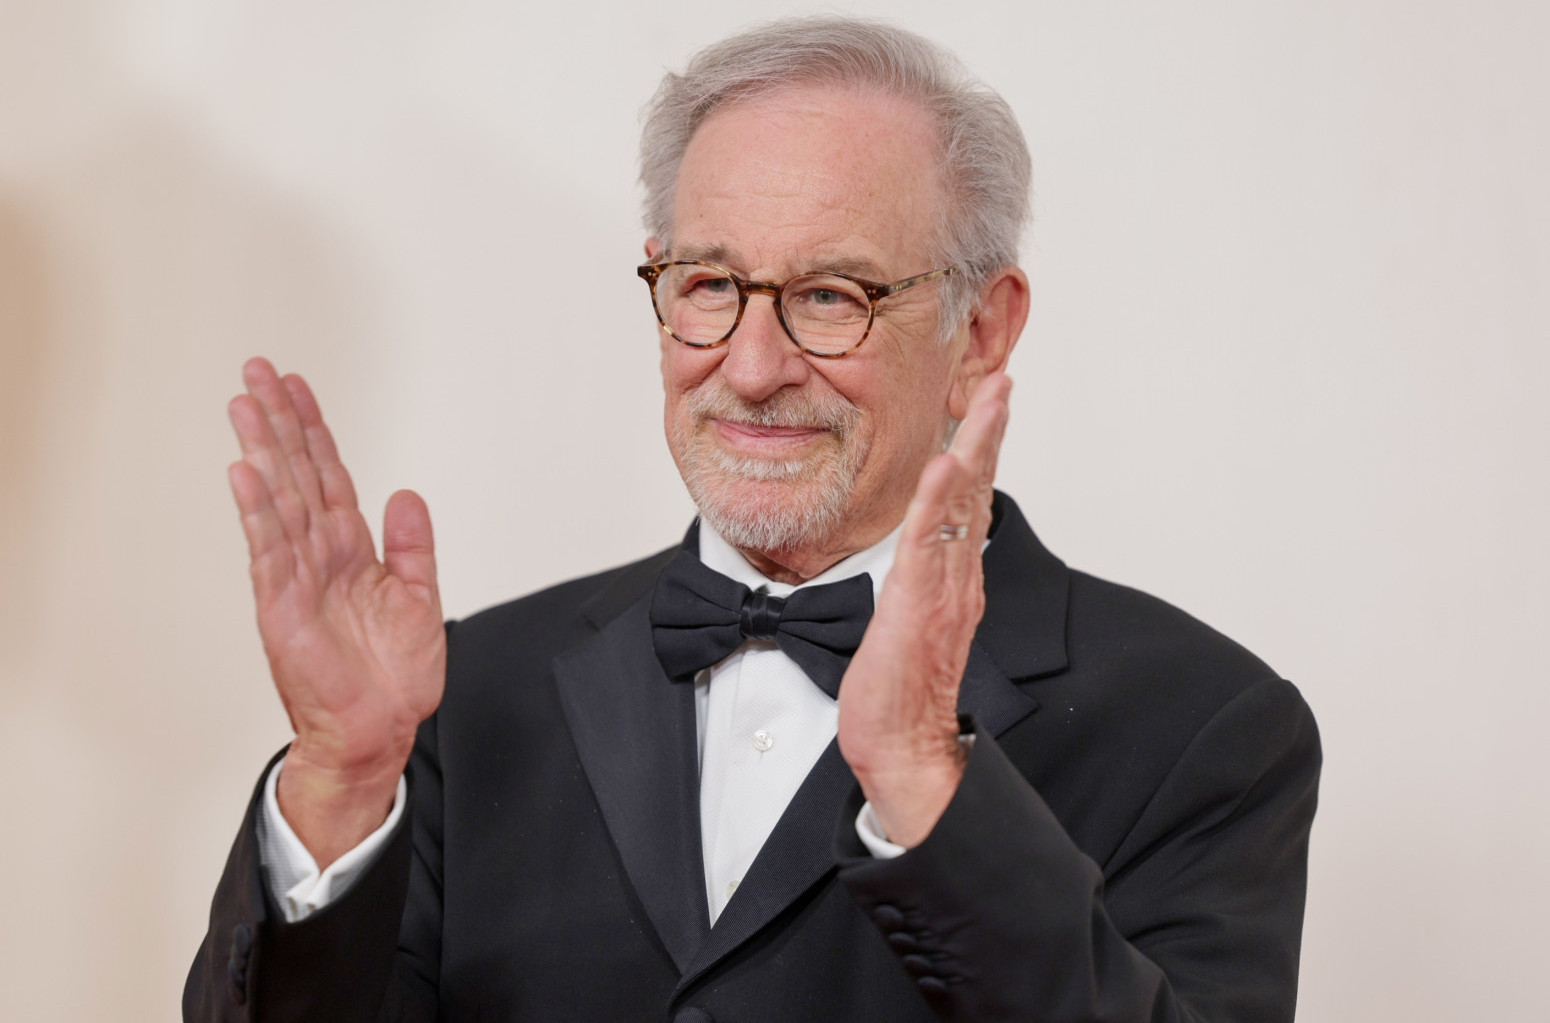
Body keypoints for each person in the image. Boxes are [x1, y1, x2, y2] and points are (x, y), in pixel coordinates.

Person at [186, 17, 1320, 1023]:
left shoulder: (1205, 728)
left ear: (980, 332)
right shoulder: (459, 698)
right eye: (710, 285)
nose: (753, 366)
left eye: (830, 295)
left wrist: (929, 787)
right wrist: (339, 780)